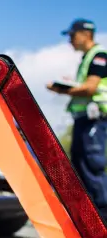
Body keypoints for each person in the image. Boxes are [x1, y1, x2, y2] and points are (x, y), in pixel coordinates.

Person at [47, 18, 107, 217]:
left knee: (92, 166)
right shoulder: (87, 58)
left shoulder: (99, 56)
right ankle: (90, 217)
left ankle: (102, 218)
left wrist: (63, 89)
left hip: (94, 121)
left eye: (72, 36)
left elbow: (90, 88)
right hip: (84, 120)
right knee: (81, 167)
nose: (70, 40)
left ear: (85, 34)